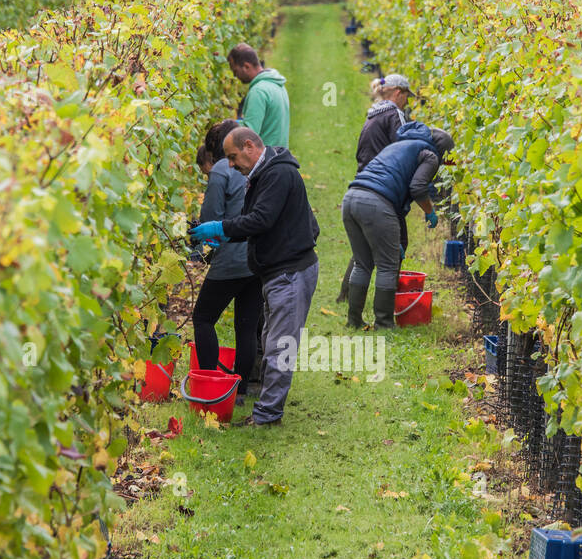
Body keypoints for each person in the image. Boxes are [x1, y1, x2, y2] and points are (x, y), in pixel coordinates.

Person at [190, 128, 319, 427]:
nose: (231, 165)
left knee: (279, 347)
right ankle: (266, 409)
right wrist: (228, 237)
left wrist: (220, 228)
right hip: (277, 272)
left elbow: (261, 220)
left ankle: (267, 416)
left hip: (289, 273)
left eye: (233, 157)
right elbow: (268, 225)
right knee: (268, 338)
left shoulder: (277, 175)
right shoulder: (263, 175)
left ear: (249, 146)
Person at [340, 121, 454, 329]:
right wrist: (430, 211)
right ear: (442, 149)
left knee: (362, 263)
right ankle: (384, 323)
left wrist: (391, 235)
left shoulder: (397, 145)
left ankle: (354, 320)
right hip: (376, 202)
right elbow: (418, 188)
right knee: (387, 265)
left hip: (351, 198)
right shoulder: (430, 154)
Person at [190, 120, 262, 405]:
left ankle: (210, 387)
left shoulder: (221, 171)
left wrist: (198, 247)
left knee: (203, 318)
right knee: (246, 325)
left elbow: (211, 218)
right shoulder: (255, 166)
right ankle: (241, 392)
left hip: (231, 259)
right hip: (255, 257)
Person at [338, 73, 416, 302]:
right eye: (406, 97)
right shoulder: (395, 115)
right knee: (396, 244)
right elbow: (405, 149)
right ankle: (389, 304)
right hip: (383, 187)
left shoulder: (374, 114)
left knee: (363, 249)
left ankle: (347, 295)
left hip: (363, 182)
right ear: (398, 93)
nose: (408, 102)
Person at [228, 44, 290, 150]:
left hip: (265, 159)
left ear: (246, 66)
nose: (235, 76)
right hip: (280, 155)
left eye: (235, 71)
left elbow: (249, 133)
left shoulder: (258, 91)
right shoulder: (277, 84)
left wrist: (228, 125)